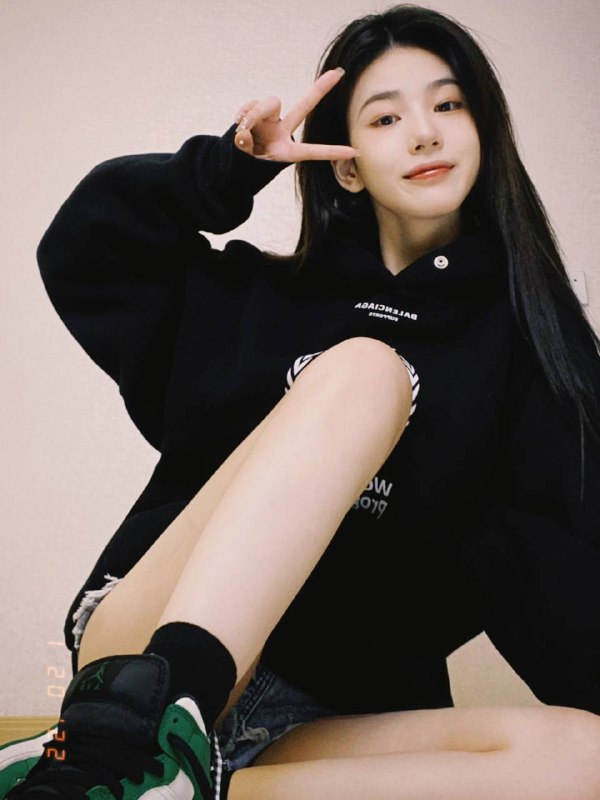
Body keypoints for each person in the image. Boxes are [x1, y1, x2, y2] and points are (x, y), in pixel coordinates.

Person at [3, 3, 600, 799]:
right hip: (142, 651)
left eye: (449, 105)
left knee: (587, 755)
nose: (425, 133)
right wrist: (225, 172)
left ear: (483, 130)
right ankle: (133, 734)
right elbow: (86, 249)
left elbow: (560, 578)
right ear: (346, 166)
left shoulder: (526, 356)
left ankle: (154, 786)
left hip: (322, 721)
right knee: (369, 372)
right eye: (386, 118)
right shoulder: (259, 300)